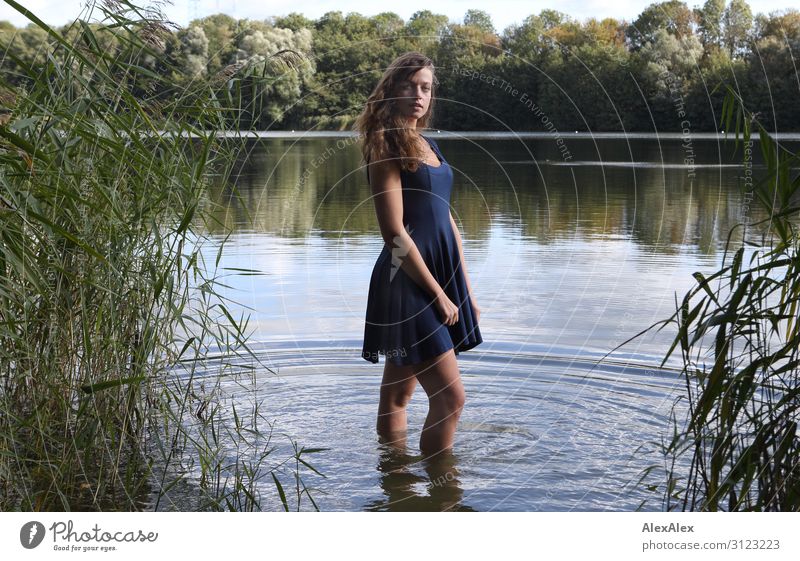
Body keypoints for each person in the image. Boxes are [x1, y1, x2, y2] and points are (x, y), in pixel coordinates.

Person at [354, 52, 483, 457]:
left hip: (437, 275)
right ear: (391, 89)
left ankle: (395, 484)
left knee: (397, 398)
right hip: (405, 280)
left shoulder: (428, 144)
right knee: (450, 399)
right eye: (410, 85)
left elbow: (447, 220)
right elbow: (394, 234)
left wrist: (464, 290)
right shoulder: (384, 145)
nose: (418, 94)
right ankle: (441, 492)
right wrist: (438, 295)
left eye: (425, 87)